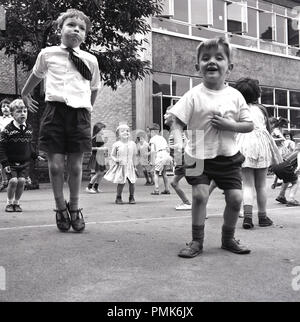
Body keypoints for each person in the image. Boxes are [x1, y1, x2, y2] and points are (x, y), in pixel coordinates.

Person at [169, 37, 254, 258]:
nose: (211, 62)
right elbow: (176, 121)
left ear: (230, 67)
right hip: (197, 155)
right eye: (205, 58)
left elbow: (249, 124)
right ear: (198, 67)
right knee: (199, 196)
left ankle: (228, 239)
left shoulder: (236, 96)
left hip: (228, 156)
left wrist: (231, 125)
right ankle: (197, 241)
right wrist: (178, 142)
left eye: (219, 57)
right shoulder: (193, 95)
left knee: (235, 199)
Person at [21, 9, 100, 232]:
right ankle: (59, 207)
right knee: (55, 166)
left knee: (75, 167)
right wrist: (24, 94)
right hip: (54, 112)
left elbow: (94, 88)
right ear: (60, 29)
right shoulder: (48, 54)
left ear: (85, 35)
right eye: (71, 25)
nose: (76, 29)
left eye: (82, 28)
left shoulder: (91, 60)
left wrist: (88, 108)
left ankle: (74, 207)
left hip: (79, 115)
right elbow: (36, 74)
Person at [235, 78, 282, 229]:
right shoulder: (261, 109)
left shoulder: (237, 108)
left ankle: (247, 217)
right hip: (261, 144)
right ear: (256, 93)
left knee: (247, 185)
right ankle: (262, 217)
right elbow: (268, 128)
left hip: (244, 144)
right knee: (261, 185)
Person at [0, 99, 44, 212]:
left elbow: (29, 145)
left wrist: (35, 156)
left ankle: (17, 202)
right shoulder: (7, 130)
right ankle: (9, 203)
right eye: (19, 111)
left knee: (22, 181)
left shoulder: (29, 129)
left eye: (25, 111)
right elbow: (2, 147)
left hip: (24, 162)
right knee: (13, 181)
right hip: (11, 162)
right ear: (12, 114)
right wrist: (4, 163)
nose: (23, 113)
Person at [164, 107, 191, 210]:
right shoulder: (174, 130)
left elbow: (184, 144)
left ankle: (189, 203)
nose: (164, 116)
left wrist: (169, 148)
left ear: (174, 117)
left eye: (167, 114)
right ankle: (190, 203)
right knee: (196, 183)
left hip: (183, 160)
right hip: (182, 160)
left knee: (174, 183)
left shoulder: (176, 130)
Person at [104, 124, 138, 204]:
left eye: (127, 131)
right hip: (121, 165)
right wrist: (116, 159)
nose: (126, 132)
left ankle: (131, 197)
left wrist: (135, 166)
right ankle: (118, 197)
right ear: (118, 134)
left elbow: (134, 155)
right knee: (121, 182)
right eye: (122, 131)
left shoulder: (132, 144)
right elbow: (112, 155)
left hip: (130, 166)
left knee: (132, 182)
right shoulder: (116, 144)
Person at [149, 123, 172, 195]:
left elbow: (153, 150)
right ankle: (167, 189)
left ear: (152, 131)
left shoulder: (152, 139)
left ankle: (156, 189)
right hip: (166, 155)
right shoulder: (162, 138)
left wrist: (152, 161)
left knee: (155, 172)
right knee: (164, 173)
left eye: (150, 132)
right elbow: (168, 149)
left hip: (160, 155)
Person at [86, 122, 108, 193]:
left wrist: (104, 151)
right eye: (102, 129)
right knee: (98, 173)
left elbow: (101, 146)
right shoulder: (94, 138)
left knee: (102, 173)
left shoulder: (99, 137)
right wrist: (101, 149)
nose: (103, 131)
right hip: (96, 157)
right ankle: (89, 187)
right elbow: (92, 148)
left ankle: (96, 187)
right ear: (98, 130)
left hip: (100, 157)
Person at [0, 98, 13, 192]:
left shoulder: (13, 119)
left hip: (11, 144)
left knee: (11, 162)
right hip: (1, 143)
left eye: (8, 106)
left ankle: (14, 180)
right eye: (3, 106)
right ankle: (4, 181)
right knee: (1, 162)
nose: (5, 108)